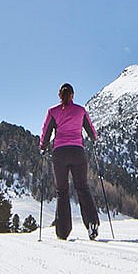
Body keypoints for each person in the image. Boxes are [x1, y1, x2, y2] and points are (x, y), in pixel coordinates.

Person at [39, 83, 101, 240]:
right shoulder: (80, 110)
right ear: (73, 95)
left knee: (62, 191)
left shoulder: (52, 112)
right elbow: (91, 131)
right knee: (82, 188)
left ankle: (63, 231)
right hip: (77, 152)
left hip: (59, 154)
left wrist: (43, 146)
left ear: (60, 96)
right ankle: (92, 223)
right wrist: (94, 139)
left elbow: (46, 132)